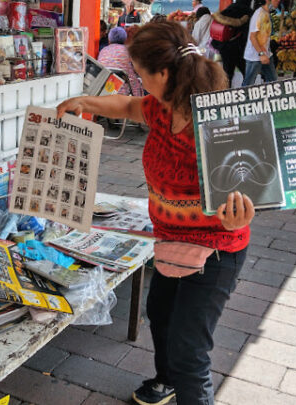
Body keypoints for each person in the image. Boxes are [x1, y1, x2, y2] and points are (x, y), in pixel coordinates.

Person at [56, 22, 254, 405]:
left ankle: (185, 385)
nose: (138, 81)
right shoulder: (161, 108)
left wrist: (241, 216)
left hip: (215, 249)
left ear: (162, 73)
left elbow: (251, 190)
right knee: (160, 313)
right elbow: (129, 106)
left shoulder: (215, 124)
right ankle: (167, 381)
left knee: (190, 353)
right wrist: (84, 103)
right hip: (170, 241)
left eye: (140, 74)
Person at [210, 0, 252, 84]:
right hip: (238, 48)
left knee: (228, 73)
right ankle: (247, 91)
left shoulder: (229, 8)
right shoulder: (248, 12)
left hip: (224, 46)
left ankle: (225, 92)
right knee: (246, 72)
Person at [98, 27, 143, 97]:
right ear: (125, 39)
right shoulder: (130, 51)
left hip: (106, 91)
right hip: (126, 93)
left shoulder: (103, 51)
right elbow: (138, 71)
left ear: (109, 39)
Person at [243, 0, 280, 85]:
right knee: (248, 84)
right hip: (255, 56)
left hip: (266, 54)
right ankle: (244, 97)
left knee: (273, 80)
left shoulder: (266, 13)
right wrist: (261, 54)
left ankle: (270, 97)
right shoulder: (260, 14)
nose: (278, 1)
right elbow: (252, 37)